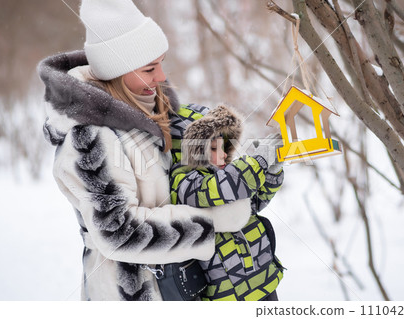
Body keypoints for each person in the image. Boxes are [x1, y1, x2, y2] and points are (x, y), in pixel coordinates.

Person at [37, 0, 263, 301]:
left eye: (161, 63)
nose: (160, 77)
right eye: (149, 68)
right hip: (130, 292)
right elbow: (120, 231)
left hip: (176, 283)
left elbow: (170, 185)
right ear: (118, 70)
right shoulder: (89, 137)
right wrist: (213, 220)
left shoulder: (155, 111)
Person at [170, 105, 285, 301]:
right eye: (214, 148)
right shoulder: (184, 184)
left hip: (265, 283)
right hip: (229, 297)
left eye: (224, 147)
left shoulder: (228, 174)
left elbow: (253, 204)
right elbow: (221, 188)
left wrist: (272, 172)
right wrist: (258, 162)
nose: (223, 155)